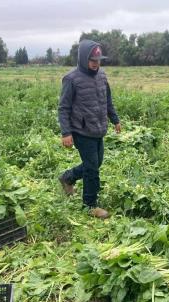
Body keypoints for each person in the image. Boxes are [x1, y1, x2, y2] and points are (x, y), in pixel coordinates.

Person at [58, 39, 121, 219]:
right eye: (93, 61)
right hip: (81, 131)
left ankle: (68, 177)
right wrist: (66, 133)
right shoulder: (71, 79)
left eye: (98, 61)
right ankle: (90, 205)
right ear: (84, 59)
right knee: (92, 168)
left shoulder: (102, 76)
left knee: (95, 163)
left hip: (98, 129)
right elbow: (63, 108)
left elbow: (107, 100)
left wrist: (115, 119)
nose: (96, 64)